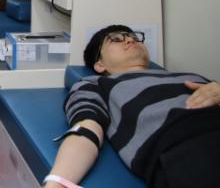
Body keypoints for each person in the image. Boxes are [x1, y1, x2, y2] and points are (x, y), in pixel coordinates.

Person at [44, 24, 220, 188]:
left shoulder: (190, 76)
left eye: (133, 37)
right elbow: (86, 128)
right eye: (116, 39)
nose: (130, 40)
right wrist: (57, 183)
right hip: (186, 145)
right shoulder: (96, 84)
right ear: (99, 64)